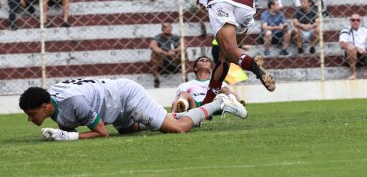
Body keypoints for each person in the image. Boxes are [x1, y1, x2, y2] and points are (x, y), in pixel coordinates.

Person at [18, 77, 247, 141]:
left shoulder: (73, 103)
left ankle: (218, 104)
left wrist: (67, 137)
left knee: (175, 129)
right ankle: (167, 115)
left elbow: (101, 133)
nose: (30, 119)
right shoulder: (53, 101)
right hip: (113, 105)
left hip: (126, 96)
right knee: (131, 131)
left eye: (31, 114)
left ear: (45, 105)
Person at [171, 56, 244, 113]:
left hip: (213, 105)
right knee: (183, 94)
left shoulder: (218, 83)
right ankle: (179, 112)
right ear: (195, 68)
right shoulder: (185, 85)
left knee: (224, 89)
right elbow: (176, 100)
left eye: (207, 61)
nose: (204, 61)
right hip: (194, 106)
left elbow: (228, 92)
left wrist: (238, 98)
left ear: (210, 69)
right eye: (201, 60)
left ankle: (237, 104)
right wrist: (173, 111)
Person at [150, 22, 180, 88]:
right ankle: (156, 79)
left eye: (169, 27)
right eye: (165, 27)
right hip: (162, 61)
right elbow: (152, 46)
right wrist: (165, 53)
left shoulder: (175, 37)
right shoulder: (158, 37)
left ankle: (185, 78)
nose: (167, 28)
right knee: (154, 54)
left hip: (174, 59)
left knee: (184, 53)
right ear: (162, 29)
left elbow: (184, 45)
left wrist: (175, 50)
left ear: (171, 28)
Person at [339, 14, 367, 80]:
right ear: (350, 21)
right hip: (351, 55)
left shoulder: (364, 30)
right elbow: (342, 44)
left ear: (360, 22)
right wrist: (357, 48)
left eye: (358, 20)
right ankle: (354, 73)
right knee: (351, 49)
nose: (355, 22)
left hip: (364, 53)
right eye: (353, 20)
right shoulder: (346, 30)